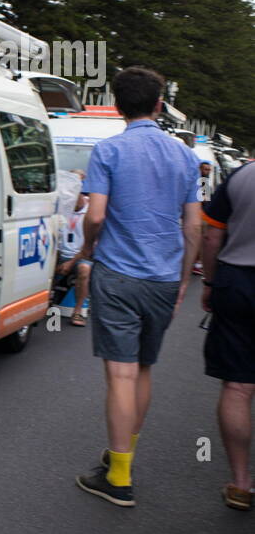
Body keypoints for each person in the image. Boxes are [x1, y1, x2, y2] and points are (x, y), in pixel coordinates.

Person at [69, 67, 202, 507]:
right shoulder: (185, 156)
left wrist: (87, 250)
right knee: (143, 369)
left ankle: (120, 476)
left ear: (119, 106)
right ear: (159, 104)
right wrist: (183, 279)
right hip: (164, 277)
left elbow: (96, 216)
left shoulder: (109, 150)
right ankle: (121, 457)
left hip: (119, 273)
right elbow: (194, 227)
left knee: (120, 373)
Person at [199, 160, 254, 510]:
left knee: (237, 386)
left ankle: (240, 483)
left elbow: (212, 233)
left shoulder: (243, 175)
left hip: (240, 282)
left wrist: (209, 281)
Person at [57, 170, 93, 326]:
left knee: (84, 269)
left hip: (82, 256)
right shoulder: (61, 208)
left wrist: (70, 263)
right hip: (61, 254)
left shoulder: (91, 211)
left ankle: (77, 312)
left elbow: (90, 246)